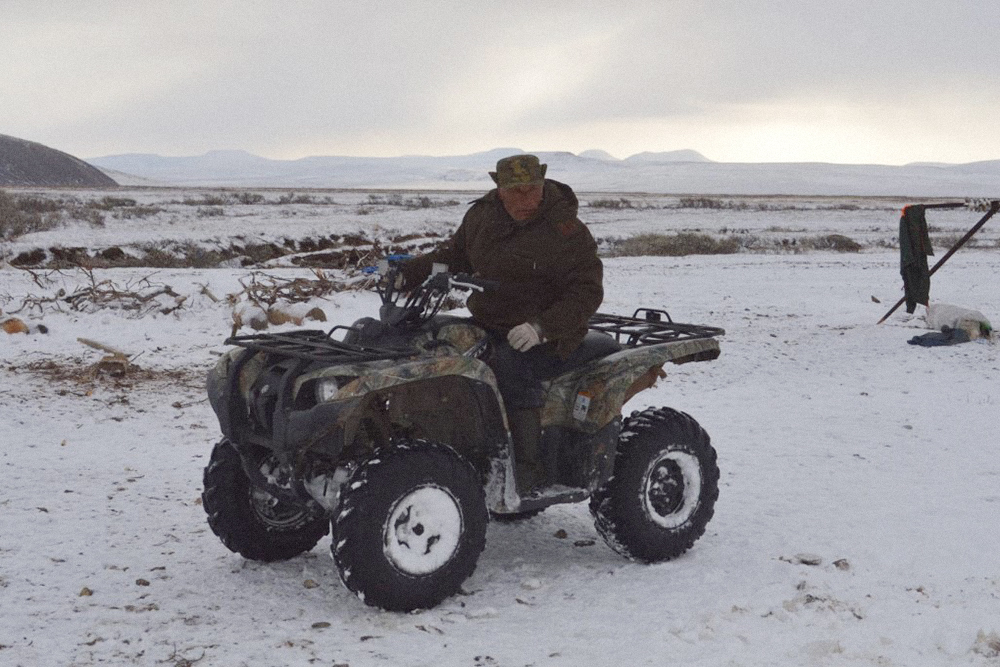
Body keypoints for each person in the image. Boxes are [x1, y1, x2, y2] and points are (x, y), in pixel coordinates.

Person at [400, 154, 604, 494]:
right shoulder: (482, 215)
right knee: (431, 344)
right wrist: (408, 272)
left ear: (543, 184)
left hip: (548, 334)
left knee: (509, 366)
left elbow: (587, 292)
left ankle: (524, 473)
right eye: (515, 192)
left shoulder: (565, 229)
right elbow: (455, 256)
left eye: (532, 190)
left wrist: (541, 328)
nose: (525, 200)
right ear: (499, 189)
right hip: (488, 321)